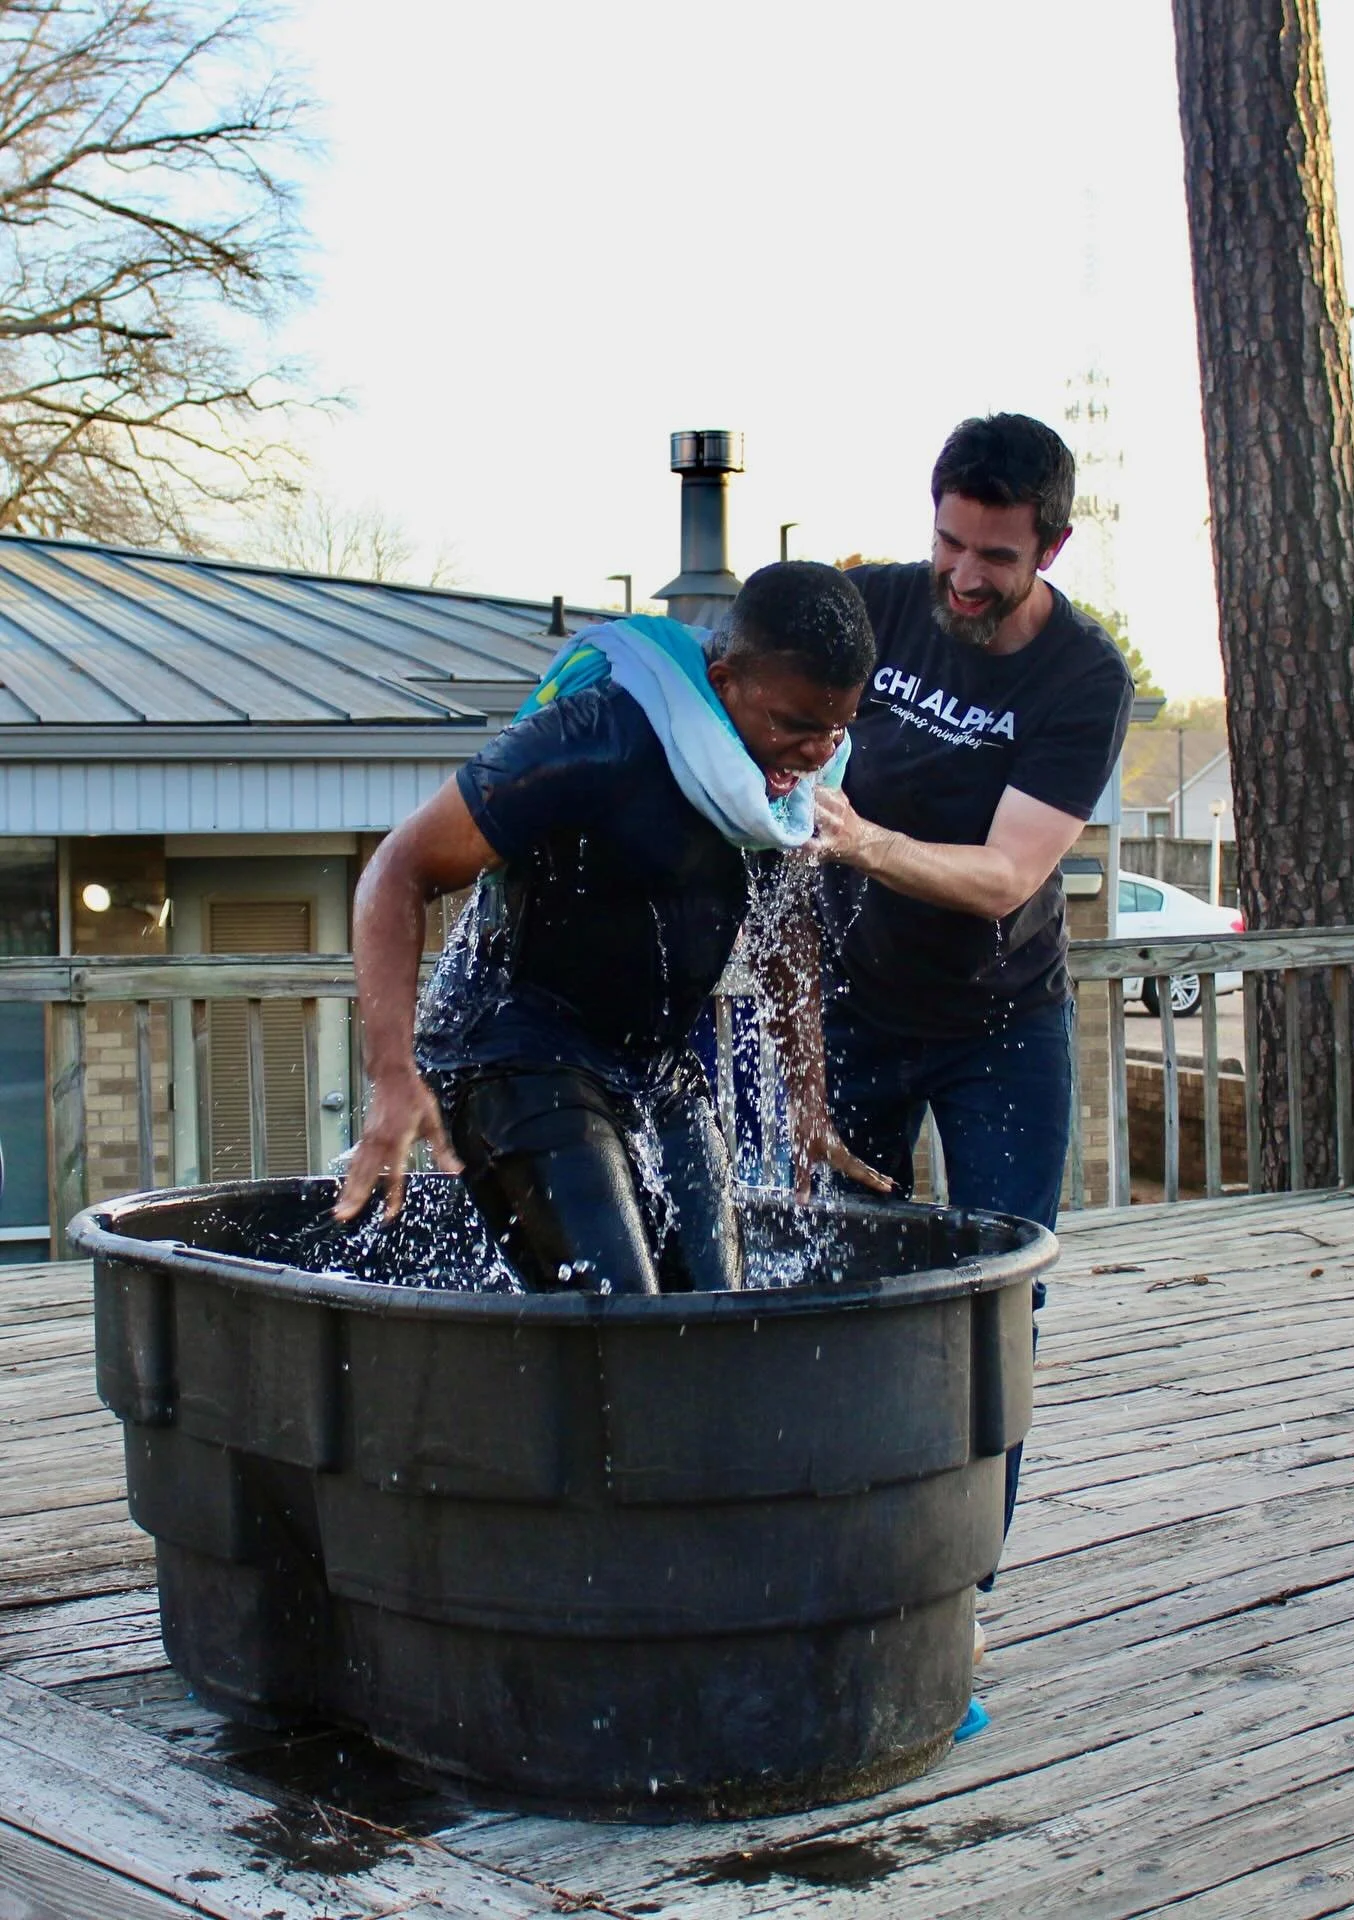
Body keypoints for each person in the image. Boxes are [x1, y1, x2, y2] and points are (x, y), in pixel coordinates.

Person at [334, 560, 889, 1293]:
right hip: (515, 1051)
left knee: (721, 1312)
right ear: (723, 684)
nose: (818, 752)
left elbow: (785, 939)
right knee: (626, 1317)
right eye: (794, 725)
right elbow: (397, 868)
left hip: (655, 1067)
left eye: (836, 727)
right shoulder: (600, 737)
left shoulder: (786, 792)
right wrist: (392, 1073)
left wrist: (808, 1107)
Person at [809, 412, 1134, 1588]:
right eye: (950, 541)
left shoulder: (1083, 677)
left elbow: (1005, 876)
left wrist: (861, 842)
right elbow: (735, 666)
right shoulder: (877, 605)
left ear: (1047, 550)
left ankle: (958, 1587)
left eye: (994, 556)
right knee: (830, 1277)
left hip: (1002, 1028)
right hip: (850, 1013)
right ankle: (839, 1556)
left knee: (997, 1305)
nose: (963, 574)